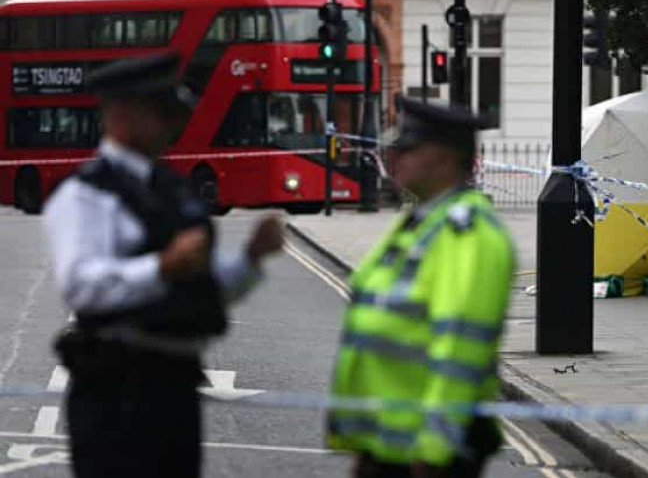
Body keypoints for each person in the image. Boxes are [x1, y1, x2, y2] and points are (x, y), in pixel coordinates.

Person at [42, 52, 284, 478]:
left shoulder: (171, 188)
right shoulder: (86, 194)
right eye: (162, 112)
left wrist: (251, 259)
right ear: (121, 114)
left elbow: (204, 286)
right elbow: (81, 285)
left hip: (176, 387)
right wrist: (161, 268)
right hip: (117, 392)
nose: (174, 124)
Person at [326, 97, 516, 478]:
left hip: (426, 455)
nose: (396, 157)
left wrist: (435, 449)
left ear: (445, 158)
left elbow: (460, 348)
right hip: (389, 445)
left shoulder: (468, 234)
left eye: (409, 148)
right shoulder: (420, 222)